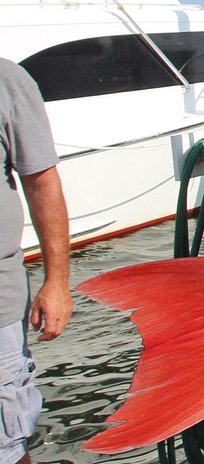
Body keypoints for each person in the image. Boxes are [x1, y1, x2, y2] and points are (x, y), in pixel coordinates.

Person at [1, 58, 73, 464]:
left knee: (7, 445)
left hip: (0, 303)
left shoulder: (6, 80)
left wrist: (56, 282)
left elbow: (42, 182)